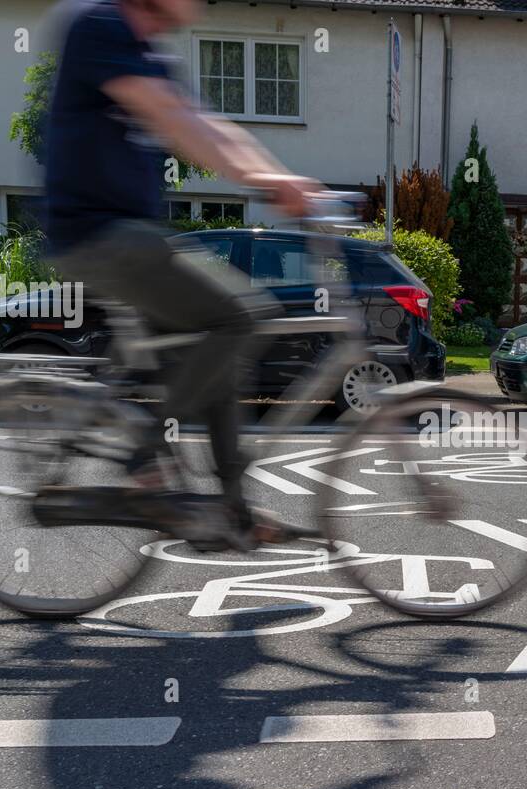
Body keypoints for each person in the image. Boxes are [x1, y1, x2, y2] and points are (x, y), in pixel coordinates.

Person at [42, 0, 321, 548]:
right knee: (238, 318)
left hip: (127, 235)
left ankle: (232, 515)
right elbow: (170, 117)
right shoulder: (102, 25)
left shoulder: (151, 53)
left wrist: (284, 178)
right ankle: (145, 442)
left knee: (215, 353)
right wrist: (266, 182)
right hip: (95, 235)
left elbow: (206, 126)